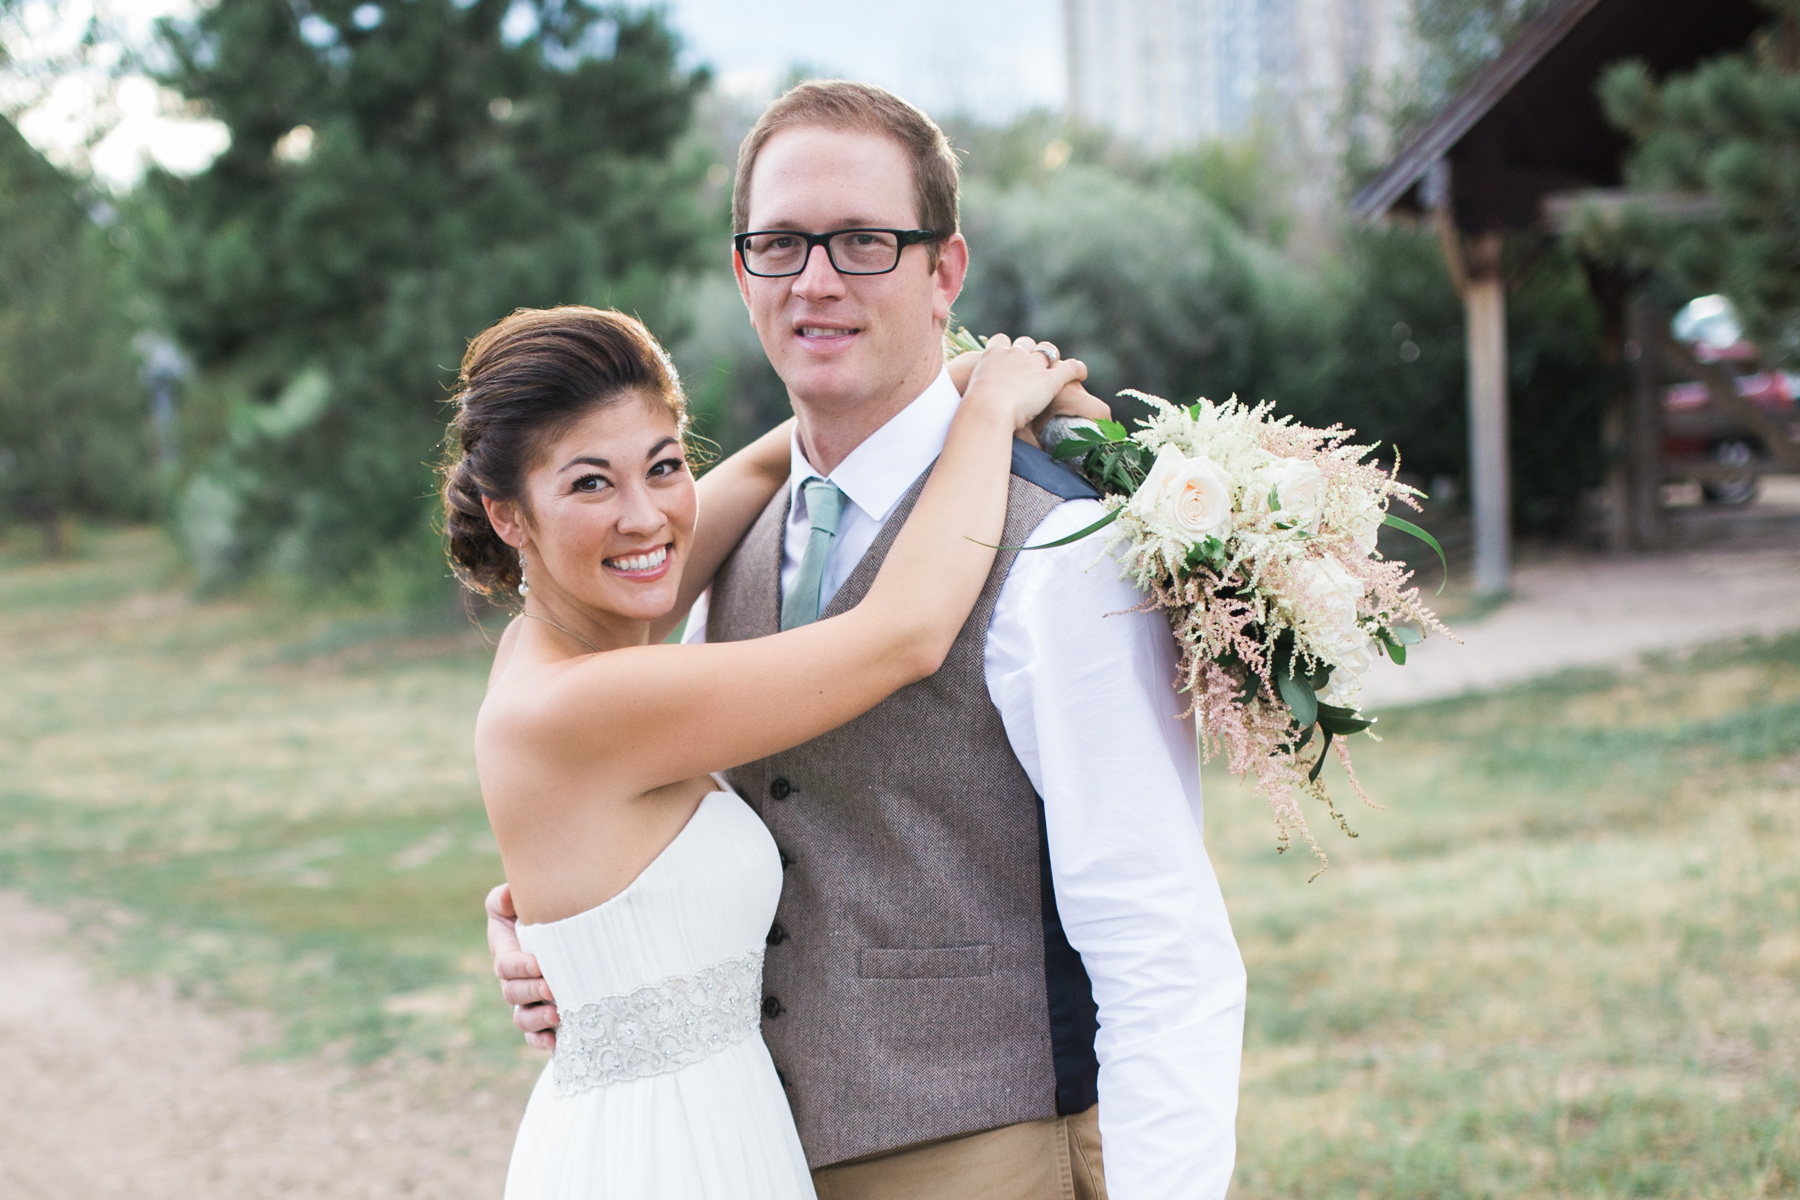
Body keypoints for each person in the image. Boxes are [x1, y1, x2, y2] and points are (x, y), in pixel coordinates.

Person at [487, 81, 1248, 1200]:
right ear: (743, 275)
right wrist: (558, 932)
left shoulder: (1058, 550)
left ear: (945, 273)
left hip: (992, 1157)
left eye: (863, 241)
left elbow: (1160, 942)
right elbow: (621, 802)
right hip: (748, 1158)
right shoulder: (700, 561)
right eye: (782, 245)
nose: (819, 279)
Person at [445, 304, 1090, 1199]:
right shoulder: (583, 702)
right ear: (508, 517)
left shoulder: (559, 642)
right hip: (657, 1160)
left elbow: (761, 463)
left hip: (721, 1134)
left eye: (665, 466)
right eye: (590, 484)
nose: (646, 517)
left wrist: (936, 386)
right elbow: (902, 634)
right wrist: (984, 417)